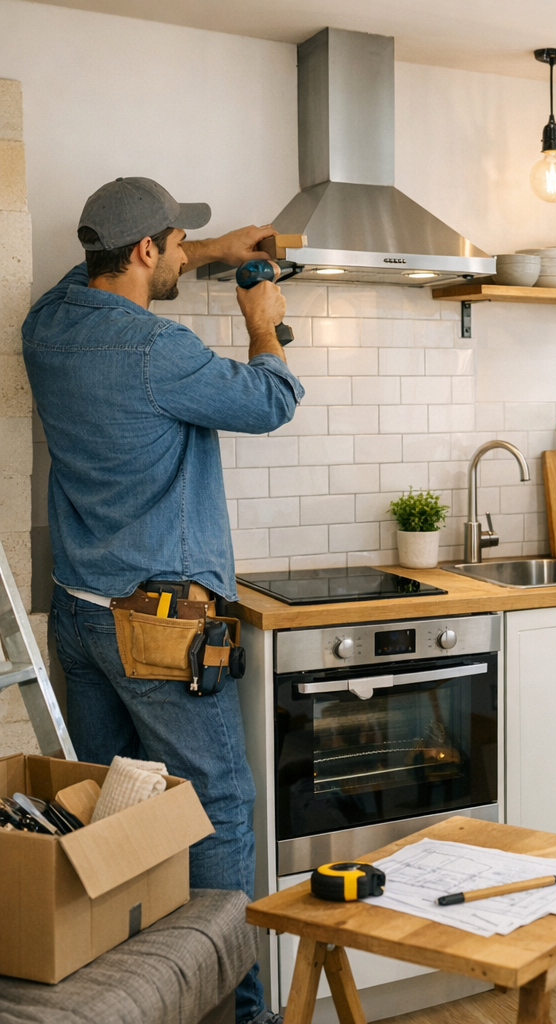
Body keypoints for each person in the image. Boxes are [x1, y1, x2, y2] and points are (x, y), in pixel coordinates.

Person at [22, 177, 304, 1024]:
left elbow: (98, 278)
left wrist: (216, 250)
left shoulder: (50, 324)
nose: (187, 254)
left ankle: (136, 997)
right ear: (146, 251)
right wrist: (262, 313)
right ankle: (239, 1011)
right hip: (160, 628)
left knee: (117, 810)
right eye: (178, 242)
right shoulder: (156, 348)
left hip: (79, 614)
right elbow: (273, 400)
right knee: (216, 803)